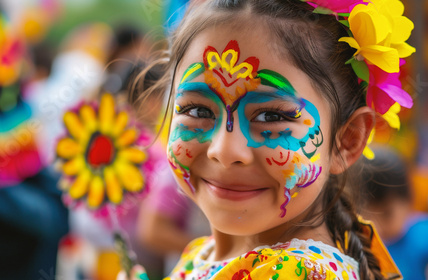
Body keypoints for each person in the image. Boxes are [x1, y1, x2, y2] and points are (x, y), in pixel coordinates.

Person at [122, 0, 416, 279]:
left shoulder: (302, 274)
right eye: (197, 110)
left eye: (271, 118)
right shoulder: (201, 252)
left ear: (346, 141)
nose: (224, 150)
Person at [360, 146, 428, 280]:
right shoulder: (362, 246)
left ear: (408, 202)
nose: (377, 224)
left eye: (386, 213)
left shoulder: (423, 236)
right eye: (367, 215)